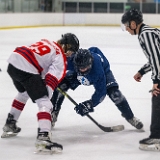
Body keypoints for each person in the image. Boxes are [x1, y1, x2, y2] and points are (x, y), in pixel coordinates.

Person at [1, 33, 79, 153]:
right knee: (45, 102)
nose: (70, 54)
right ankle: (43, 137)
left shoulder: (47, 41)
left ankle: (10, 123)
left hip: (13, 63)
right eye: (71, 50)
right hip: (26, 67)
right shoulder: (60, 58)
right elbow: (50, 82)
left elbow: (38, 62)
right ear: (67, 45)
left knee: (24, 93)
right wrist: (45, 94)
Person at [51, 47, 144, 131]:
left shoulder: (97, 70)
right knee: (61, 86)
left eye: (85, 67)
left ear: (90, 63)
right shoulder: (72, 61)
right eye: (80, 67)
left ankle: (130, 117)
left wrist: (90, 104)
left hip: (104, 72)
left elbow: (101, 92)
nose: (83, 70)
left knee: (115, 94)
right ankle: (53, 113)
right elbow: (53, 65)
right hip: (78, 73)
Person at [121, 8, 160, 151]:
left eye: (126, 25)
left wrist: (157, 80)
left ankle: (157, 136)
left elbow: (156, 58)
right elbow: (155, 58)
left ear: (133, 24)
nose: (126, 29)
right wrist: (142, 71)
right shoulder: (146, 32)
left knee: (157, 98)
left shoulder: (146, 34)